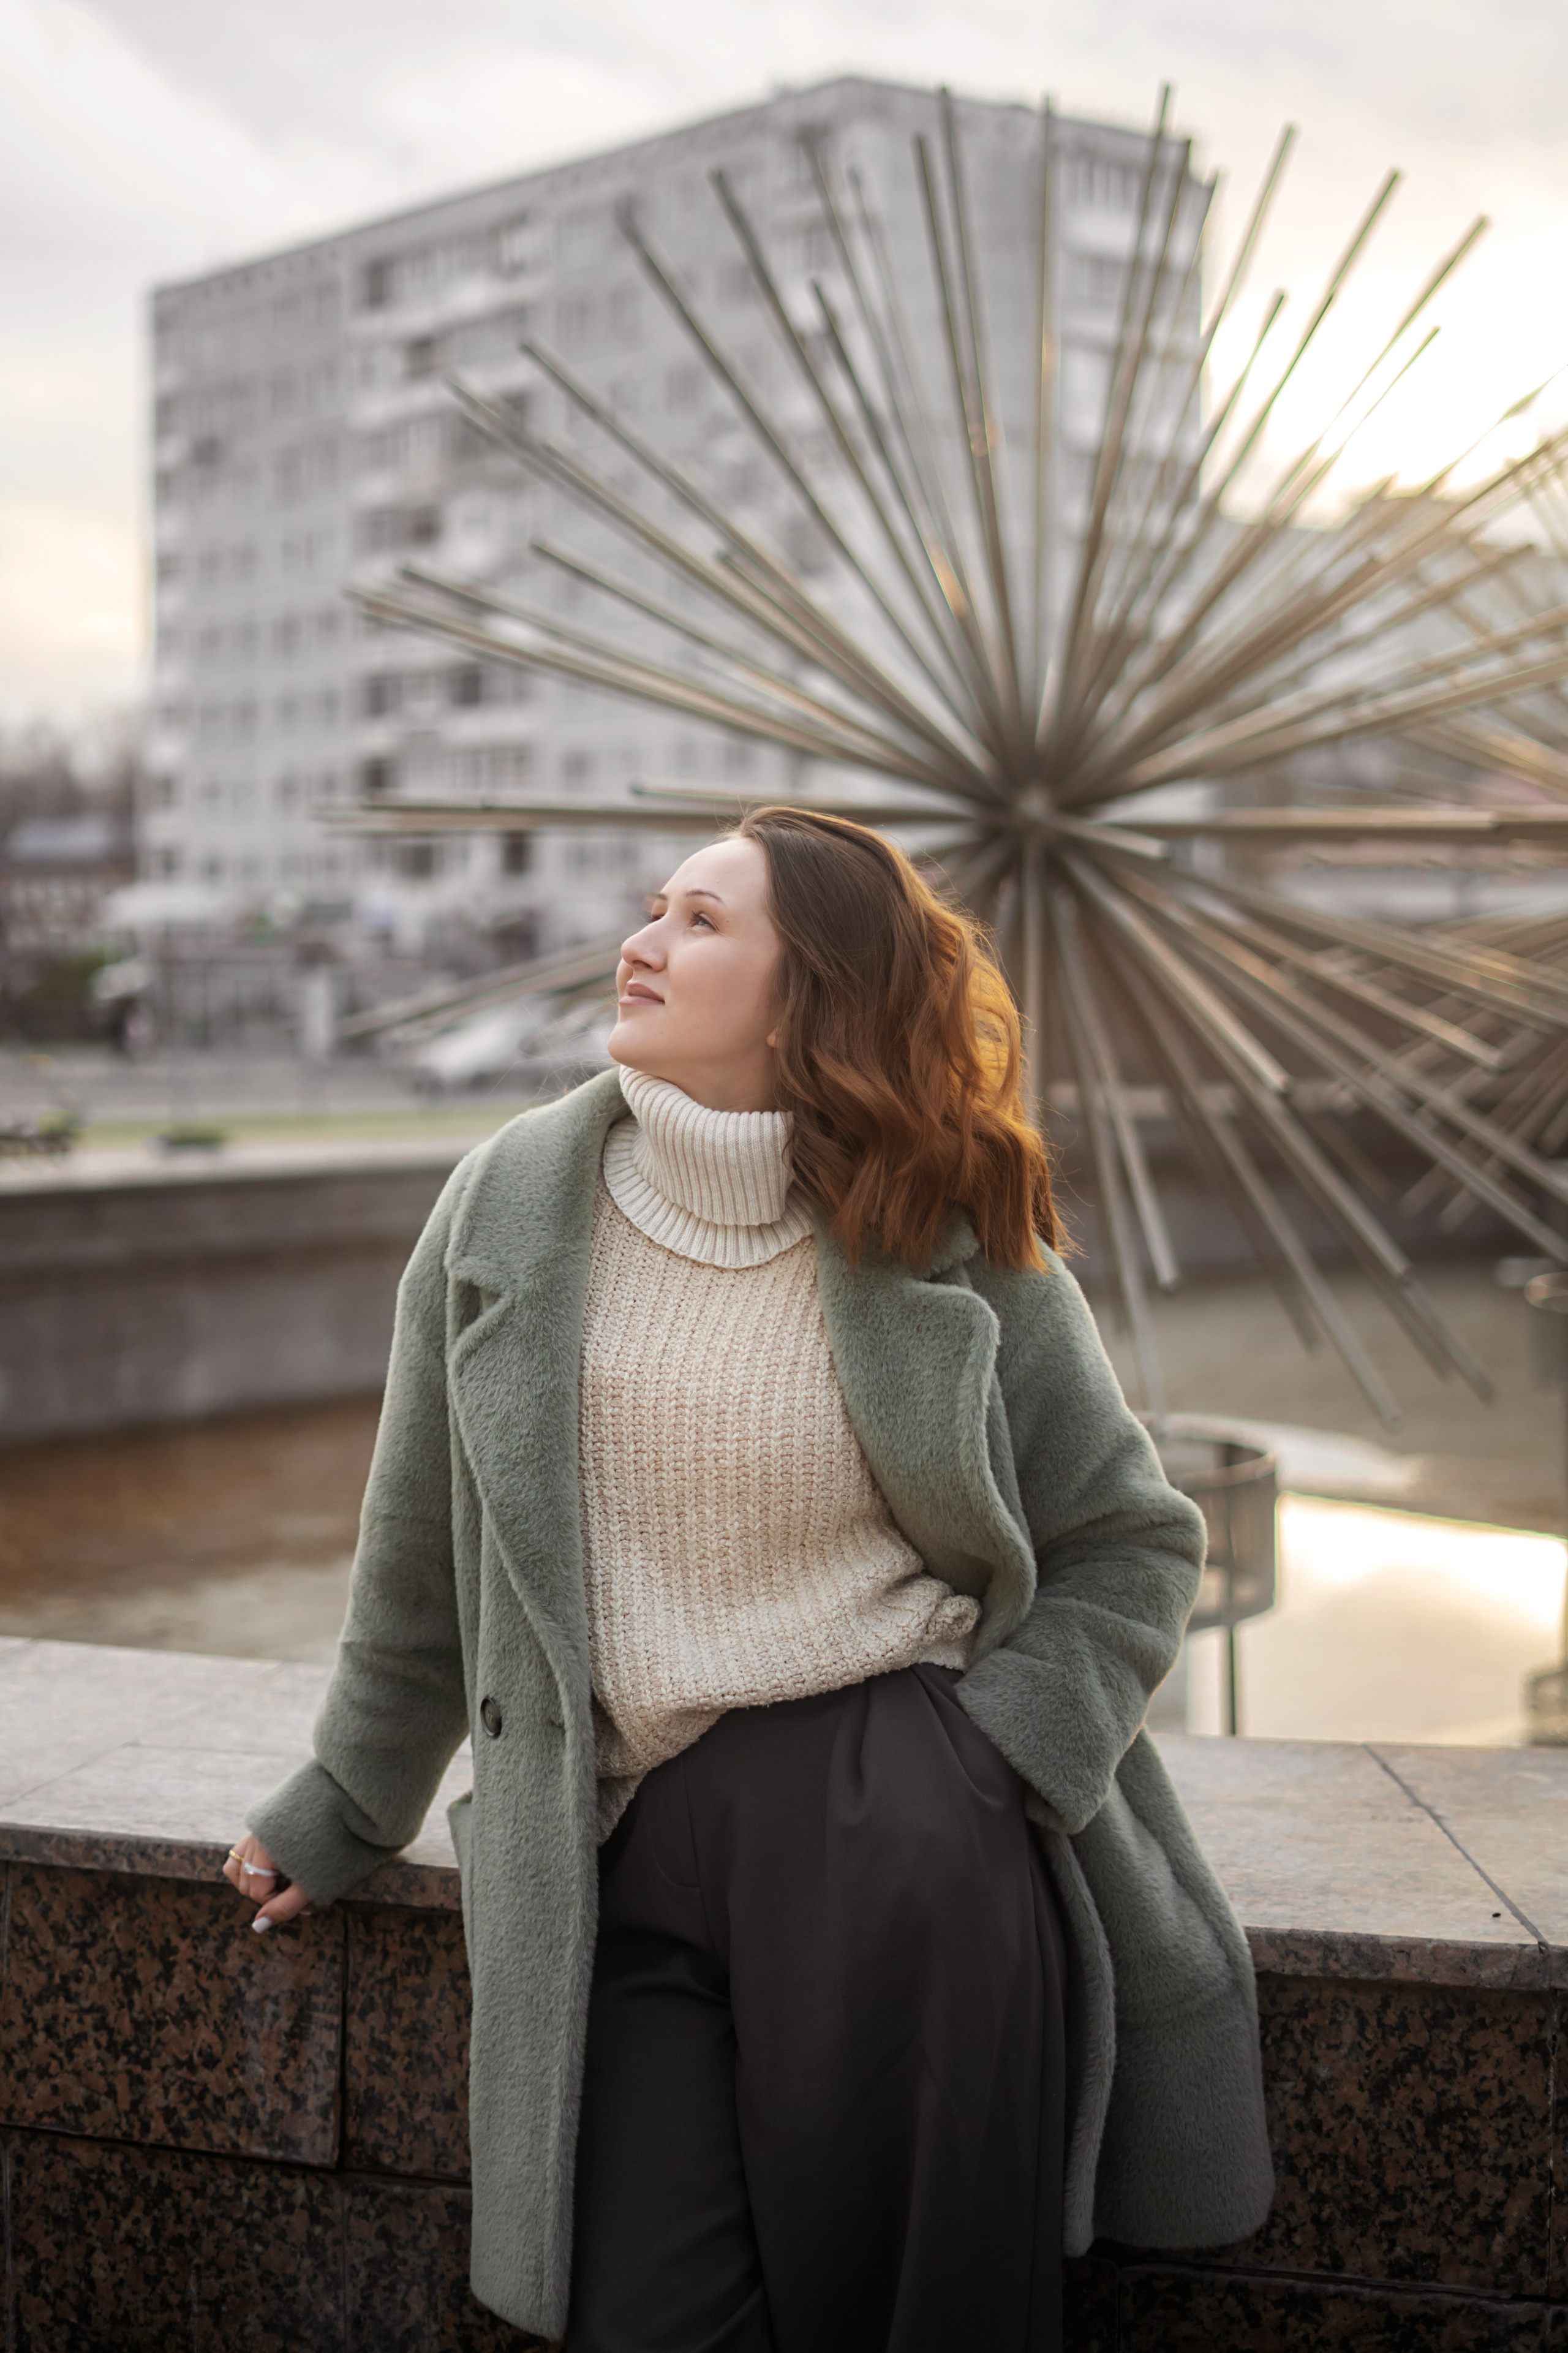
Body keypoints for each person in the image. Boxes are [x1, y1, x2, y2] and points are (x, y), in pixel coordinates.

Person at [227, 809, 1273, 2351]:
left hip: (895, 1817)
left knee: (923, 2314)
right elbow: (422, 1568)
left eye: (701, 922)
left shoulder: (940, 1216)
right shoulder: (504, 1205)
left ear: (812, 990)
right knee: (650, 2311)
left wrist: (996, 1760)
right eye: (652, 907)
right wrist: (345, 1799)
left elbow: (1129, 1536)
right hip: (622, 1845)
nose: (641, 941)